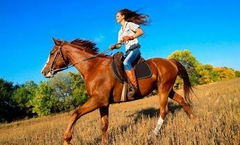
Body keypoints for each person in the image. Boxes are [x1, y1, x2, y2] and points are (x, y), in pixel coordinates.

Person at [110, 8, 149, 97]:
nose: (116, 18)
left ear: (123, 16)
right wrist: (114, 46)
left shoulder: (130, 25)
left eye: (117, 16)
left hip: (134, 49)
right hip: (127, 51)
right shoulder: (120, 32)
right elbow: (119, 45)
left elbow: (140, 32)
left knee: (126, 62)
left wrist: (130, 37)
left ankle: (135, 87)